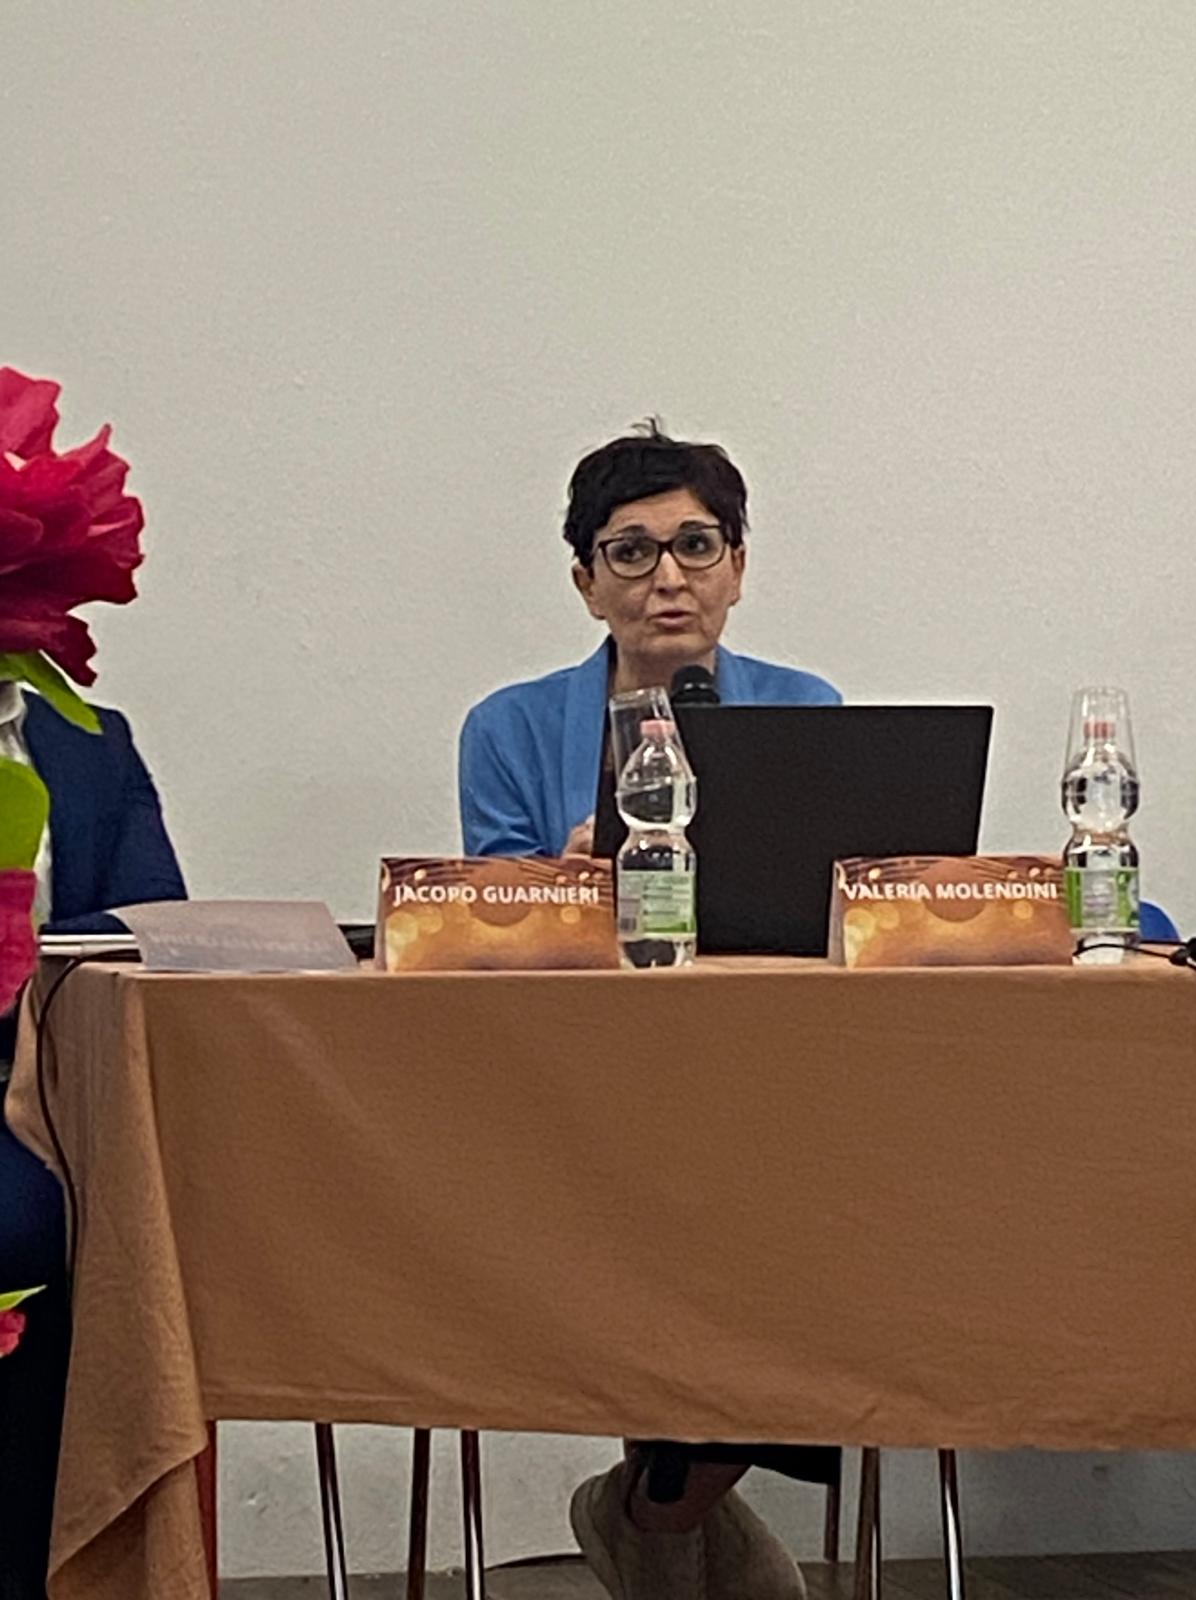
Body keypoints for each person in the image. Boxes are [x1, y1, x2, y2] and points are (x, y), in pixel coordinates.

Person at [459, 424, 840, 1600]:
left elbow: (843, 917)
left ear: (739, 567)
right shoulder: (510, 727)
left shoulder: (808, 709)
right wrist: (570, 880)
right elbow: (481, 930)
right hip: (577, 1092)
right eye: (631, 551)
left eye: (695, 545)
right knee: (679, 1238)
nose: (667, 576)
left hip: (772, 1082)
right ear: (586, 581)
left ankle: (651, 1514)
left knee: (831, 1244)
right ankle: (672, 1524)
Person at [0, 680, 185, 1600]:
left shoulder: (91, 740)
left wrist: (25, 953)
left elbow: (152, 917)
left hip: (42, 1099)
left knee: (60, 1228)